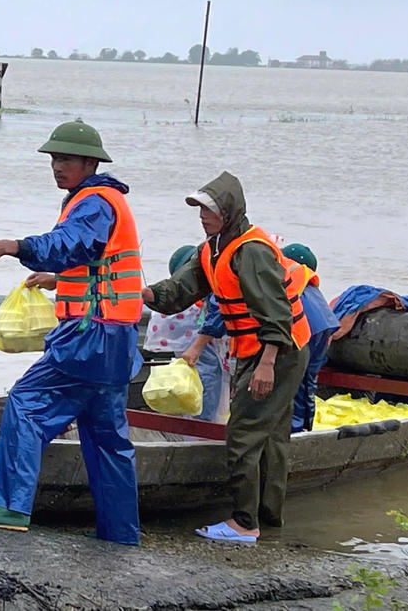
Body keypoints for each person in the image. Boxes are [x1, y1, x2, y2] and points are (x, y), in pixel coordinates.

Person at [0, 120, 142, 545]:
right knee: (107, 441)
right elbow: (100, 262)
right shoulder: (106, 201)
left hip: (88, 338)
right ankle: (121, 536)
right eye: (54, 159)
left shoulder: (94, 201)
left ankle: (10, 505)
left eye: (67, 159)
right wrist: (57, 279)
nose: (57, 166)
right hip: (117, 339)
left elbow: (71, 244)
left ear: (90, 163)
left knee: (27, 404)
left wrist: (13, 246)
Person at [143, 171, 311, 543]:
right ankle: (268, 518)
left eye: (210, 210)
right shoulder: (213, 249)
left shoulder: (251, 251)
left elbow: (277, 313)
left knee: (243, 434)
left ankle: (243, 523)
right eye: (200, 210)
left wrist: (266, 364)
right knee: (271, 436)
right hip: (259, 349)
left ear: (230, 212)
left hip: (278, 351)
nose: (203, 216)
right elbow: (181, 289)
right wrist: (144, 294)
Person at [144, 245, 229, 422]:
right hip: (204, 357)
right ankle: (203, 423)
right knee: (207, 378)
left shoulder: (176, 308)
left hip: (193, 355)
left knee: (198, 382)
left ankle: (195, 420)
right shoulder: (204, 300)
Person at [281, 243, 339, 432]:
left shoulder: (286, 275)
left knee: (292, 379)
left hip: (305, 326)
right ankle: (304, 428)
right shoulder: (310, 284)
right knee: (308, 381)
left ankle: (294, 429)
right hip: (324, 324)